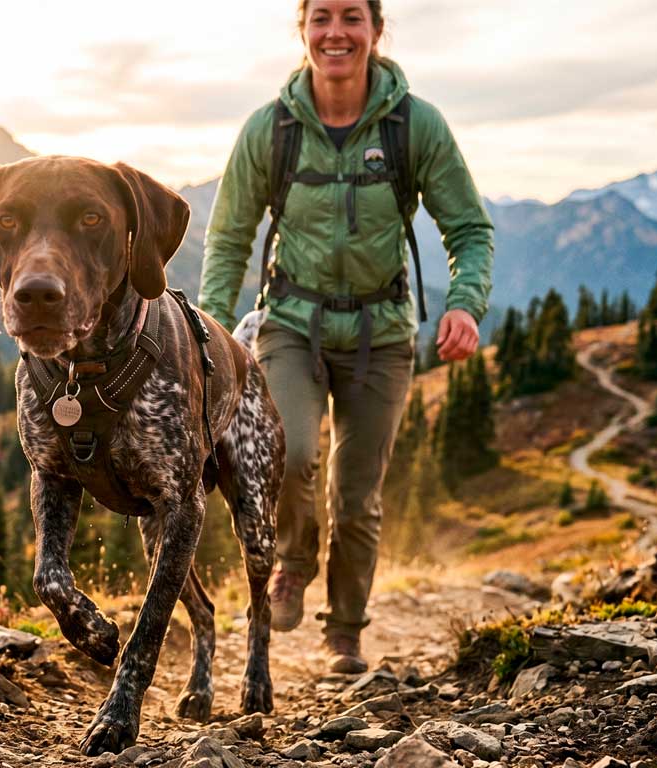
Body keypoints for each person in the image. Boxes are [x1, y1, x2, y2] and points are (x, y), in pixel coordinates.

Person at [198, 0, 494, 674]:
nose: (336, 32)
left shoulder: (415, 125)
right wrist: (212, 331)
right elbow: (229, 237)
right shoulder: (268, 130)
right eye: (321, 16)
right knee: (291, 453)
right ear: (302, 29)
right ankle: (295, 561)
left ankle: (346, 630)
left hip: (381, 331)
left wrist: (467, 305)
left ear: (376, 31)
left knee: (357, 497)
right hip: (290, 324)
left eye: (352, 17)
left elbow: (470, 229)